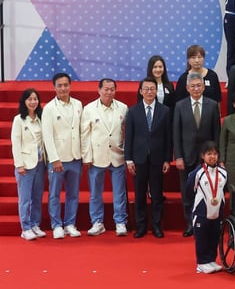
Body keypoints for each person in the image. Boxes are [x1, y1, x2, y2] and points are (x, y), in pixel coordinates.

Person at [174, 72, 221, 237]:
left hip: (207, 157)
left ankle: (207, 223)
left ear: (203, 87)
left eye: (198, 86)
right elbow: (176, 133)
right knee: (188, 192)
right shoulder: (179, 106)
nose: (195, 89)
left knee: (208, 191)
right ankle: (190, 224)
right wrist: (178, 156)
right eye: (192, 86)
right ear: (187, 88)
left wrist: (217, 156)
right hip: (186, 156)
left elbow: (217, 133)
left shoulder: (213, 104)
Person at [81, 78, 129, 236]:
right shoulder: (89, 109)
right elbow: (85, 135)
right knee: (95, 192)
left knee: (119, 192)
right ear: (99, 90)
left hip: (117, 155)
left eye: (112, 89)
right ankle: (97, 222)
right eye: (106, 89)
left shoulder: (123, 108)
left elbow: (126, 132)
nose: (109, 92)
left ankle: (120, 222)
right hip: (97, 157)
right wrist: (86, 157)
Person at [126, 78, 172, 238]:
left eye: (152, 89)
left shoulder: (165, 111)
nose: (149, 92)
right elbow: (129, 137)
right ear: (140, 91)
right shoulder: (133, 111)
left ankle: (157, 226)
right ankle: (140, 226)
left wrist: (167, 159)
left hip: (158, 160)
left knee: (157, 195)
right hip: (138, 160)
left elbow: (168, 137)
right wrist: (129, 159)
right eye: (146, 89)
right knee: (139, 195)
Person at [41, 73, 83, 239]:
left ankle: (70, 224)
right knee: (55, 194)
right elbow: (47, 135)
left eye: (66, 85)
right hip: (58, 159)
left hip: (75, 157)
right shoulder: (49, 108)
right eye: (60, 85)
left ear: (70, 86)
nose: (63, 88)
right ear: (54, 87)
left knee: (73, 194)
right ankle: (56, 224)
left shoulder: (78, 104)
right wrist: (54, 158)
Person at [188, 141, 227, 274]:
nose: (212, 157)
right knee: (202, 237)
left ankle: (211, 259)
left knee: (214, 235)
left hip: (217, 211)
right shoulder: (197, 174)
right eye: (209, 154)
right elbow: (189, 190)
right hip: (202, 211)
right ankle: (202, 262)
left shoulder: (223, 173)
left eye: (215, 154)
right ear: (202, 156)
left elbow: (223, 190)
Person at [12, 89, 46, 240]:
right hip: (25, 164)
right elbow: (16, 144)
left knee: (37, 197)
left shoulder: (41, 118)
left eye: (35, 99)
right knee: (25, 198)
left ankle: (34, 224)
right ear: (24, 102)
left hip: (40, 163)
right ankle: (25, 227)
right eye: (30, 99)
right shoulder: (19, 120)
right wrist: (19, 165)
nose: (33, 102)